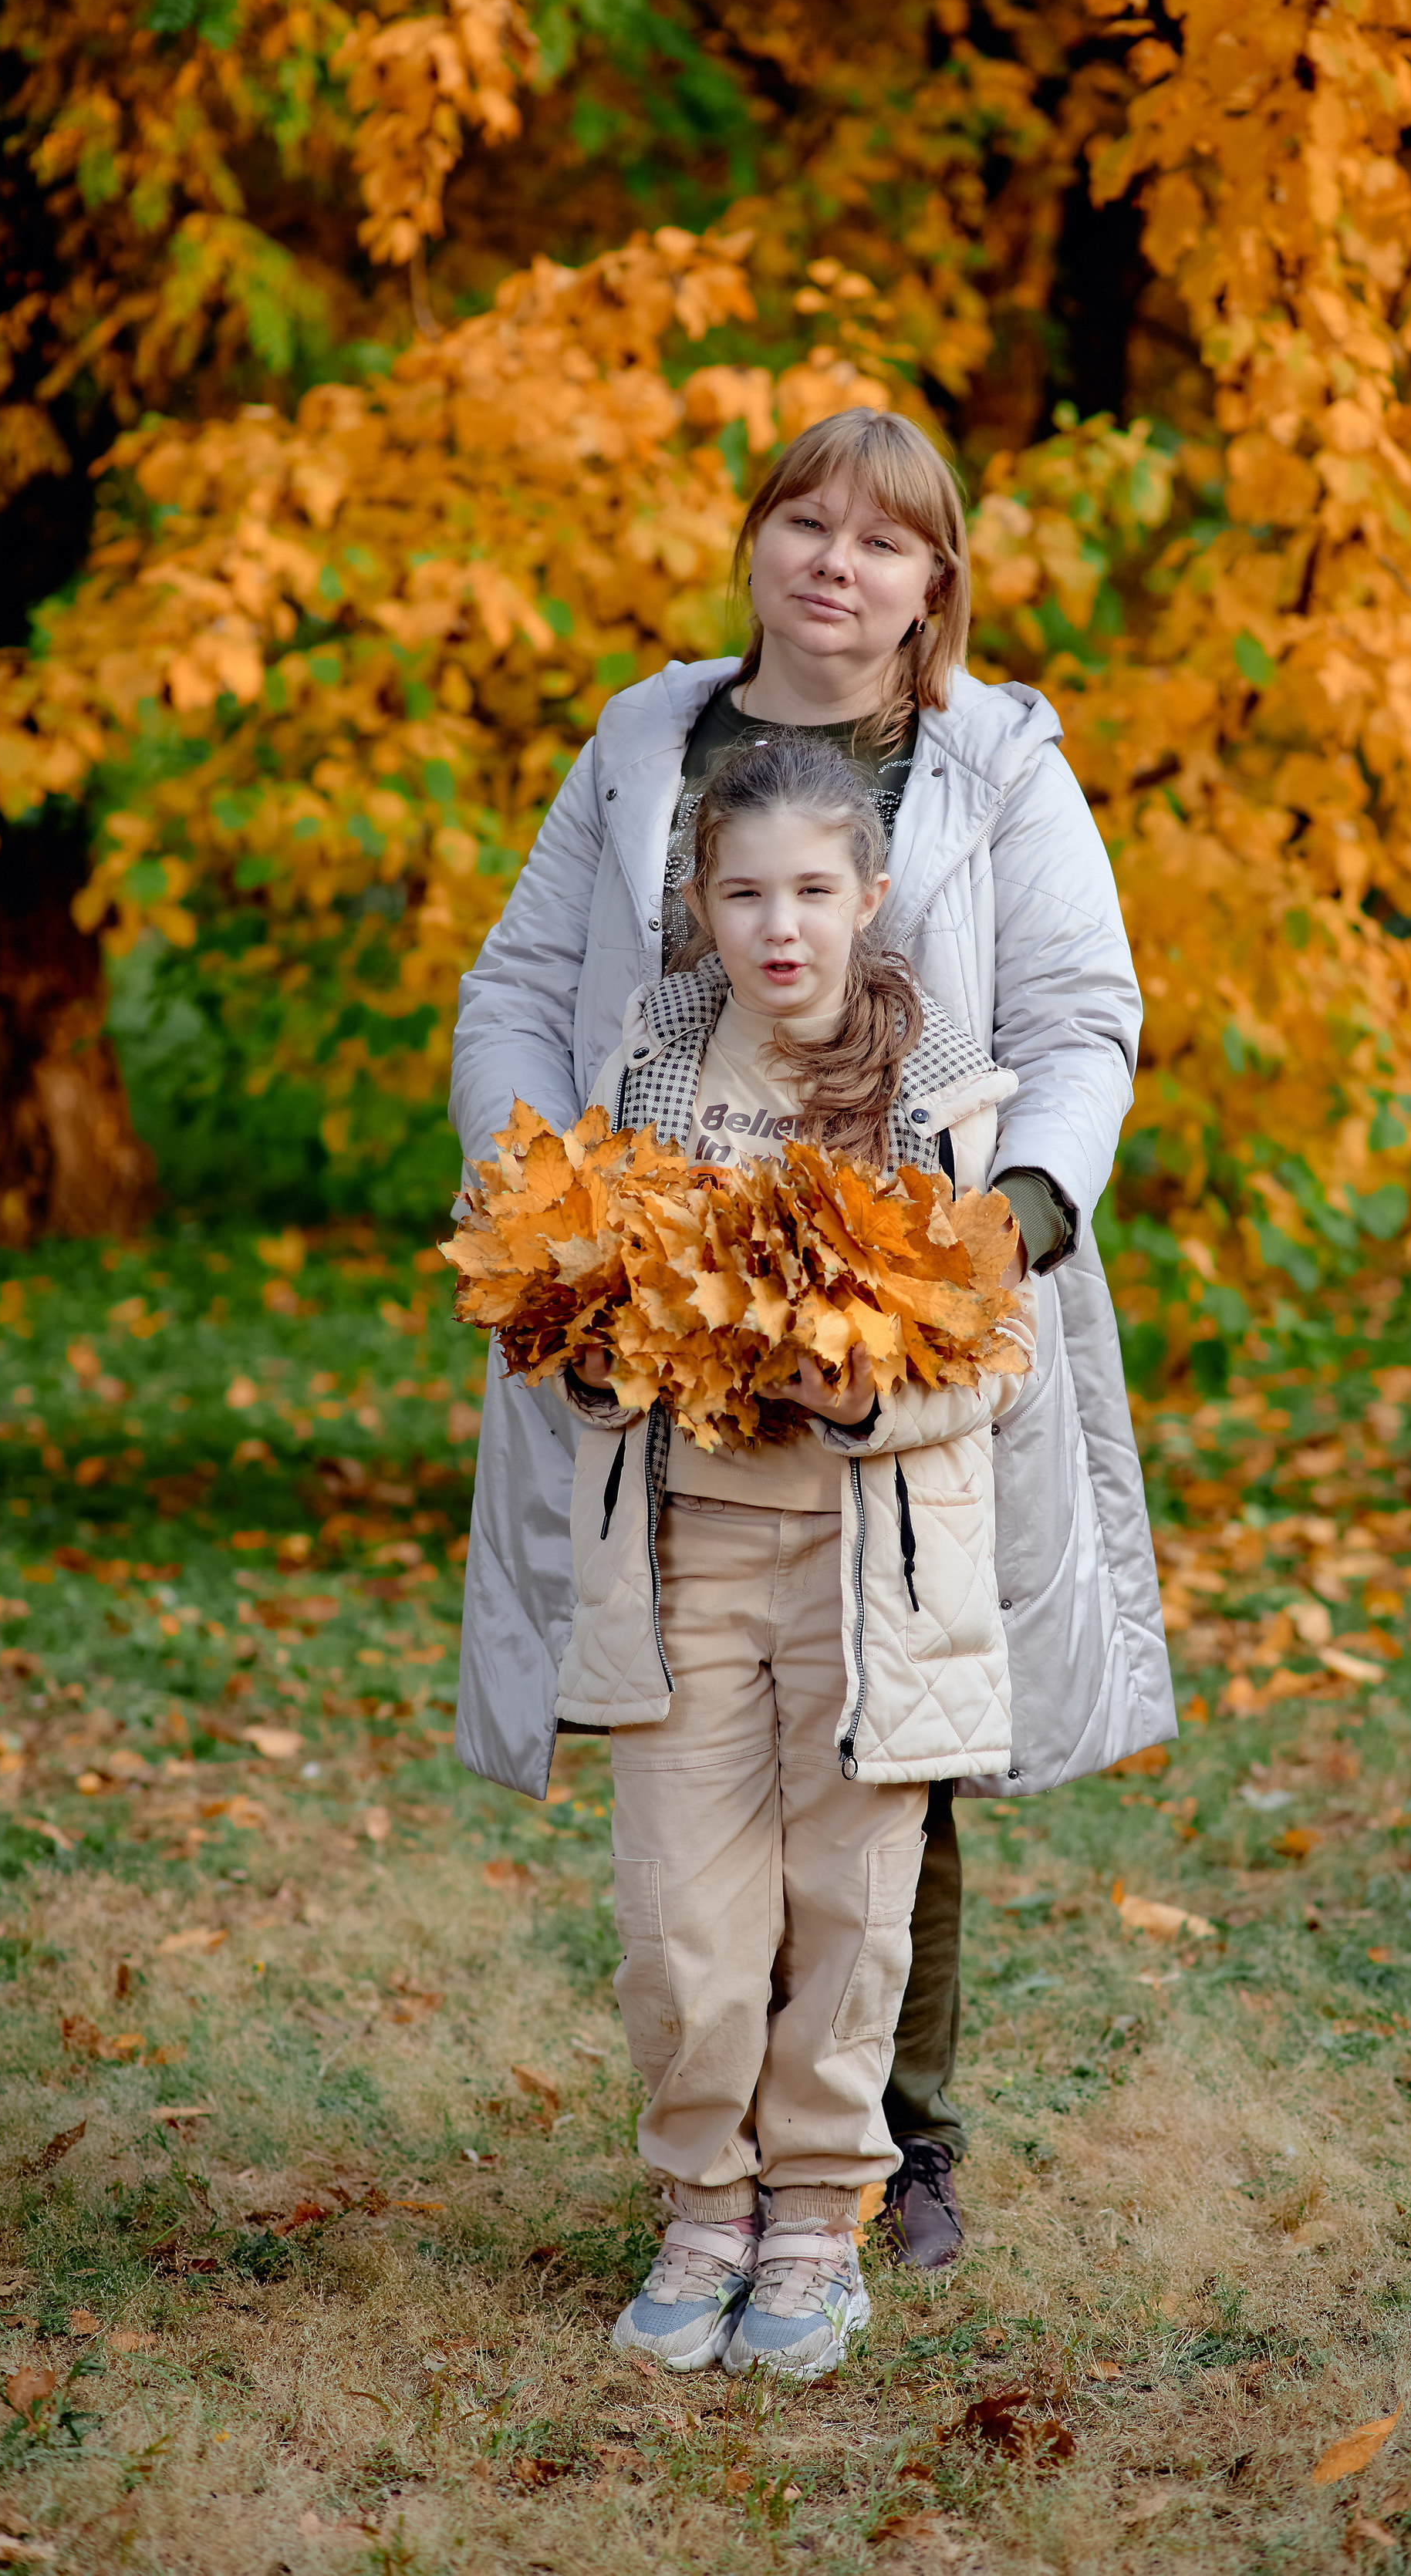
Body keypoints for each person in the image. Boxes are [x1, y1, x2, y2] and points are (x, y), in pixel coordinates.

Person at [450, 406, 1174, 2272]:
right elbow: (524, 985)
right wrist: (546, 1201)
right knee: (693, 1724)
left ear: (934, 582)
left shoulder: (995, 761)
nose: (835, 562)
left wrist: (1001, 1223)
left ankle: (887, 2150)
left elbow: (1086, 1014)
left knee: (890, 1724)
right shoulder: (643, 742)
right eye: (805, 523)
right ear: (757, 543)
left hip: (896, 1318)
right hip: (661, 1318)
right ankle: (715, 2179)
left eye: (883, 538)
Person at [550, 733, 1034, 2378]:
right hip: (682, 1554)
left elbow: (990, 1358)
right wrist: (594, 1354)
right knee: (683, 1915)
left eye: (814, 891)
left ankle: (818, 2218)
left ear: (870, 900)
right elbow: (571, 1312)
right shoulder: (653, 1071)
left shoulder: (944, 1096)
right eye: (744, 892)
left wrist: (863, 1402)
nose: (781, 926)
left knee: (849, 1906)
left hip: (866, 1573)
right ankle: (703, 2205)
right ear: (699, 904)